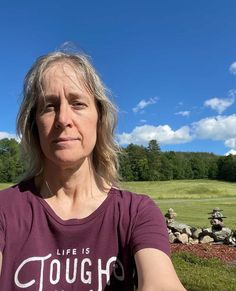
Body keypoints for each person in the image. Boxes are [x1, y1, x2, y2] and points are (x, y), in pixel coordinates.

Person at [0, 51, 186, 290]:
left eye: (78, 103)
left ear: (100, 118)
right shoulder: (5, 210)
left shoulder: (136, 213)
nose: (63, 118)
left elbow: (161, 283)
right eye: (49, 106)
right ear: (34, 124)